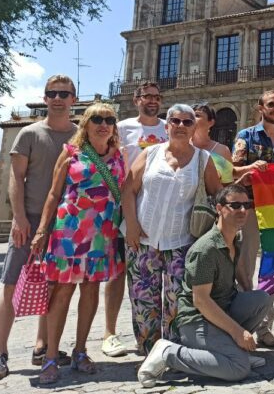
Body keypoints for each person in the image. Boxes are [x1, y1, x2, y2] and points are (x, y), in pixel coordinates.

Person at [0, 74, 77, 382]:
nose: (58, 98)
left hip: (64, 223)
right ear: (45, 98)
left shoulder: (80, 137)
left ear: (73, 99)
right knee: (11, 284)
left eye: (64, 93)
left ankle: (42, 346)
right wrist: (19, 217)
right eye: (53, 93)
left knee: (53, 286)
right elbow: (15, 178)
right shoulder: (29, 133)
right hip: (30, 218)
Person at [137, 185, 271, 387]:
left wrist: (247, 293)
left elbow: (240, 272)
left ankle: (230, 352)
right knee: (238, 368)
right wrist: (237, 332)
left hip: (223, 309)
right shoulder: (205, 249)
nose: (243, 210)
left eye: (247, 205)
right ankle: (169, 353)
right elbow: (201, 301)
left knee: (261, 300)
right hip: (196, 320)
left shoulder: (235, 239)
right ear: (219, 208)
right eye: (235, 205)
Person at [30, 103, 126, 384]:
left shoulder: (119, 156)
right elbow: (53, 194)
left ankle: (80, 351)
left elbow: (126, 193)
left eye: (109, 119)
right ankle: (50, 356)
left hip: (102, 233)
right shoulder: (71, 152)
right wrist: (41, 230)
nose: (103, 124)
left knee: (91, 290)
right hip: (69, 232)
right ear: (86, 124)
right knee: (62, 291)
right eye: (97, 118)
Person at [122, 104, 223, 356]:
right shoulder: (150, 154)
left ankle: (173, 353)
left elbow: (218, 195)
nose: (180, 126)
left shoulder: (203, 159)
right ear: (166, 126)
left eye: (187, 122)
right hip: (143, 241)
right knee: (143, 301)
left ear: (194, 127)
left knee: (177, 303)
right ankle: (149, 352)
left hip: (182, 243)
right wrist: (131, 225)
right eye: (175, 121)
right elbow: (128, 190)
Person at [106, 81, 168, 358]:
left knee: (155, 272)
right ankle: (109, 333)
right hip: (126, 205)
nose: (152, 101)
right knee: (118, 271)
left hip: (158, 207)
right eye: (147, 97)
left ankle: (159, 334)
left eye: (156, 97)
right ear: (136, 100)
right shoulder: (122, 128)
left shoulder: (169, 127)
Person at [232, 90, 274, 348]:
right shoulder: (246, 137)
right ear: (260, 108)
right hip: (248, 210)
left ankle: (265, 327)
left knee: (272, 268)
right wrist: (251, 168)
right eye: (271, 104)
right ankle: (244, 325)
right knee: (245, 268)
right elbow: (233, 170)